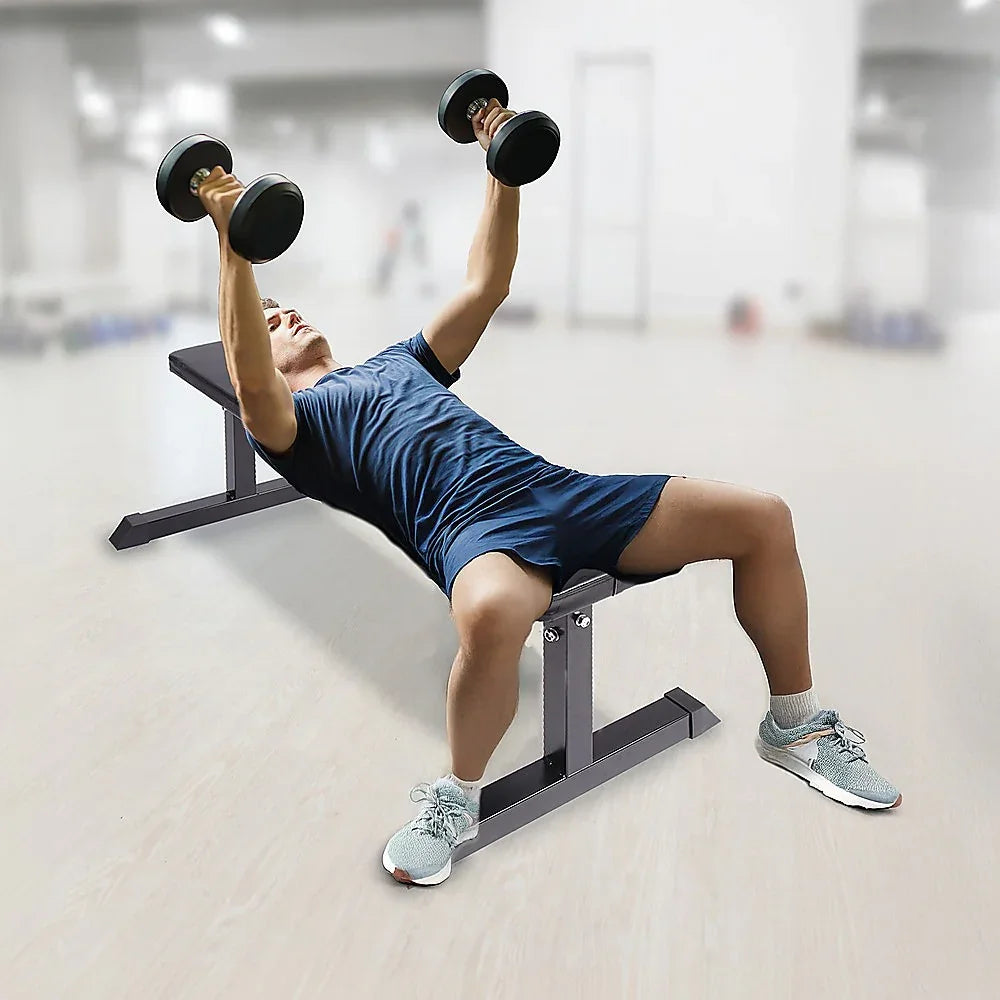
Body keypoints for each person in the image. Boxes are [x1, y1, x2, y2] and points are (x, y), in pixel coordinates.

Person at [196, 100, 901, 888]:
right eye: (269, 319)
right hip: (473, 535)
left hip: (558, 492)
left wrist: (502, 167)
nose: (287, 313)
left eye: (287, 306)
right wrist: (231, 243)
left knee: (763, 519)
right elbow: (250, 377)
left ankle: (796, 729)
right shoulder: (294, 429)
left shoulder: (400, 362)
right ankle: (456, 800)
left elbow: (486, 283)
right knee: (494, 612)